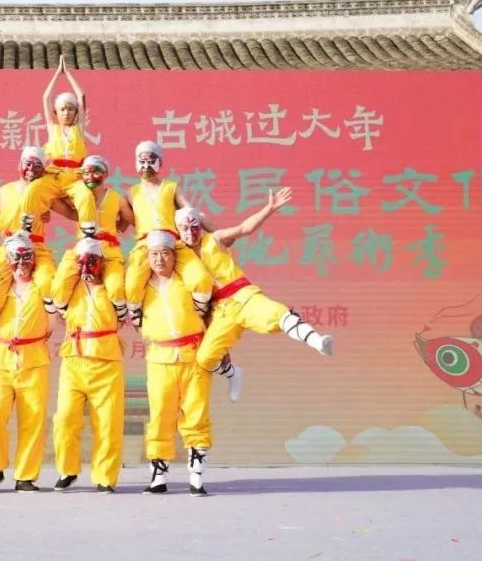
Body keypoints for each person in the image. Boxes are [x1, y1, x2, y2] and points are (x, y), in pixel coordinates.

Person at [172, 201, 334, 384]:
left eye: (194, 226)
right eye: (184, 228)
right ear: (178, 230)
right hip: (222, 312)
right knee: (204, 358)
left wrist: (269, 208)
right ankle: (233, 374)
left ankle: (318, 342)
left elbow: (244, 228)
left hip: (244, 296)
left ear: (200, 227)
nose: (190, 232)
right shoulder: (180, 254)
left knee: (279, 315)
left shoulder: (214, 239)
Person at [138, 231, 212, 496]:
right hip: (160, 360)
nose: (160, 260)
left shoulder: (187, 282)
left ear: (174, 256)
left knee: (196, 414)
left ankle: (197, 477)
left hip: (193, 357)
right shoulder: (140, 288)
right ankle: (158, 477)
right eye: (154, 254)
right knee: (160, 416)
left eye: (165, 254)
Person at [0, 233, 55, 492]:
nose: (22, 263)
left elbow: (53, 320)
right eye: (16, 257)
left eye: (27, 257)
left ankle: (25, 476)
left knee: (33, 418)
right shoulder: (0, 291)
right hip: (1, 360)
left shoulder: (43, 288)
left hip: (34, 360)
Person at [51, 238, 124, 493]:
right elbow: (57, 292)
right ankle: (67, 469)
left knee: (108, 423)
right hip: (74, 360)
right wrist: (74, 255)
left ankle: (105, 476)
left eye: (92, 261)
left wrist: (108, 261)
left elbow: (121, 291)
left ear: (102, 263)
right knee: (64, 419)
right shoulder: (72, 289)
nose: (86, 268)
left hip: (106, 363)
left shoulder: (114, 289)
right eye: (82, 262)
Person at [123, 140, 214, 324]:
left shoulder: (171, 187)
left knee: (201, 278)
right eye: (142, 161)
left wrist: (216, 233)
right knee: (132, 285)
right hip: (145, 245)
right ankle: (137, 318)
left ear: (160, 163)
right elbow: (121, 224)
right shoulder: (130, 193)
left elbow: (191, 212)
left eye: (151, 161)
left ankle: (198, 315)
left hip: (173, 243)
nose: (146, 166)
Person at [19, 57, 98, 239]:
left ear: (76, 112)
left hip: (74, 178)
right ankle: (26, 227)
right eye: (62, 109)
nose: (66, 112)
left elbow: (81, 97)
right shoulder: (53, 128)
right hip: (53, 176)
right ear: (56, 112)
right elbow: (46, 98)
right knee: (33, 188)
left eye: (70, 109)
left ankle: (88, 234)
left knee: (86, 196)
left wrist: (68, 73)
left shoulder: (79, 129)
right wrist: (57, 73)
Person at [51, 155, 132, 322]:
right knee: (59, 287)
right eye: (86, 173)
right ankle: (66, 314)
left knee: (116, 288)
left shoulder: (117, 198)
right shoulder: (77, 196)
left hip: (109, 252)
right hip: (82, 251)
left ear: (105, 174)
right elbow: (65, 209)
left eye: (96, 172)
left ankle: (119, 317)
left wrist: (118, 228)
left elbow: (131, 219)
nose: (90, 177)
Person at [0, 146, 64, 318]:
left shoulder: (45, 192)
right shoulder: (3, 191)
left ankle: (48, 321)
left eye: (37, 166)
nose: (31, 169)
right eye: (27, 164)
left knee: (47, 283)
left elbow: (71, 212)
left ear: (43, 171)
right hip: (8, 247)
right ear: (19, 165)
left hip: (37, 247)